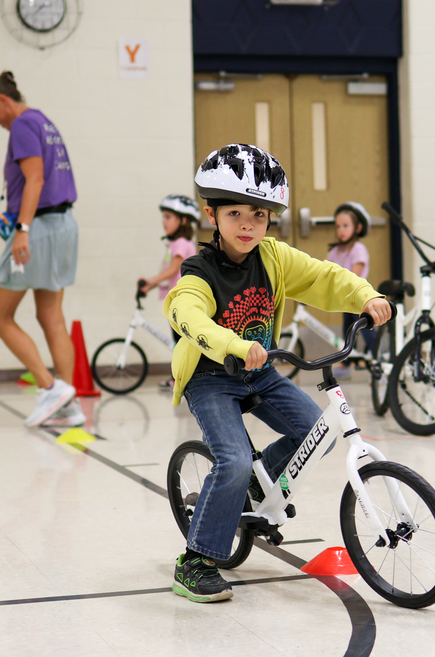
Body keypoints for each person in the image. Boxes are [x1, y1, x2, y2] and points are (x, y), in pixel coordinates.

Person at [163, 144, 391, 603]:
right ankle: (196, 560)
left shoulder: (273, 258)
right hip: (211, 375)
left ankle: (255, 478)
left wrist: (364, 295)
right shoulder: (199, 271)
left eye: (260, 215)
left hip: (259, 369)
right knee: (231, 459)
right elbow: (185, 314)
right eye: (236, 215)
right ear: (212, 214)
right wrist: (235, 344)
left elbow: (325, 277)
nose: (249, 225)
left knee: (316, 432)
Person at [0, 71, 82, 427]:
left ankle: (50, 387)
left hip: (37, 229)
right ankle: (69, 402)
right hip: (64, 225)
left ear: (3, 101)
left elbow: (35, 178)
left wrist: (22, 229)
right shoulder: (43, 120)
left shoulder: (22, 124)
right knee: (51, 315)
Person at [139, 194, 200, 390]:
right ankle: (180, 377)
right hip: (176, 300)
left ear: (183, 220)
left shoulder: (181, 243)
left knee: (181, 341)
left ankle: (180, 378)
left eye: (168, 217)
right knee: (179, 340)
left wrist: (150, 281)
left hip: (182, 301)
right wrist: (151, 285)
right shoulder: (175, 244)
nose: (163, 222)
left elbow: (173, 270)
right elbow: (168, 272)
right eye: (163, 217)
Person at [326, 201, 375, 378]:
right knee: (348, 331)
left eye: (346, 225)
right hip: (345, 300)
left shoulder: (358, 249)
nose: (341, 230)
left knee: (366, 331)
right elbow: (326, 272)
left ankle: (380, 363)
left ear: (358, 227)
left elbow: (355, 276)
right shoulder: (336, 251)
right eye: (338, 226)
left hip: (359, 299)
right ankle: (347, 363)